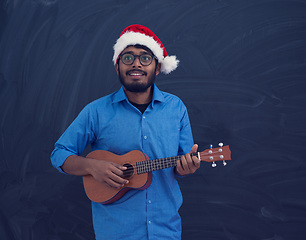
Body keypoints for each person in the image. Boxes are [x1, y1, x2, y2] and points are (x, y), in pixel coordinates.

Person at [51, 24, 200, 240]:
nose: (136, 64)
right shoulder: (96, 112)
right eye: (128, 58)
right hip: (115, 232)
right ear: (117, 66)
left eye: (145, 58)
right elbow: (59, 154)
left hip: (166, 231)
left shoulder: (176, 108)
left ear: (157, 67)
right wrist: (92, 166)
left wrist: (187, 167)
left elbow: (181, 166)